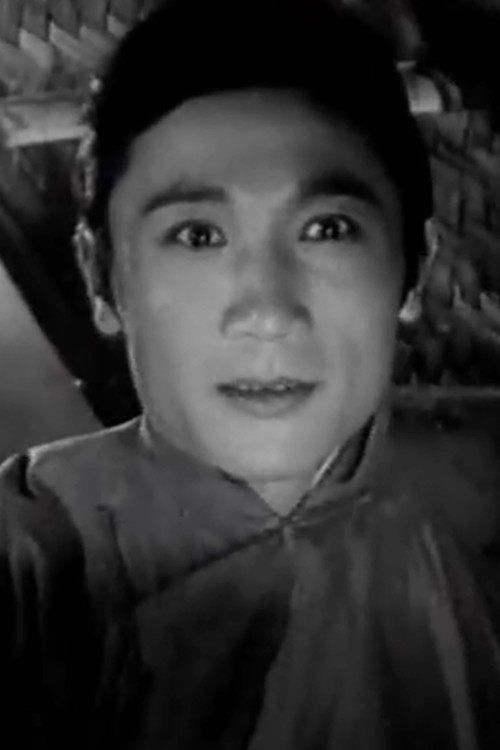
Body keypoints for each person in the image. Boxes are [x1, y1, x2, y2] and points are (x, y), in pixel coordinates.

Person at [1, 0, 500, 748]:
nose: (267, 311)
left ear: (413, 267)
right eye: (197, 235)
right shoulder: (33, 560)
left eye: (327, 229)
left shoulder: (487, 479)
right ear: (101, 277)